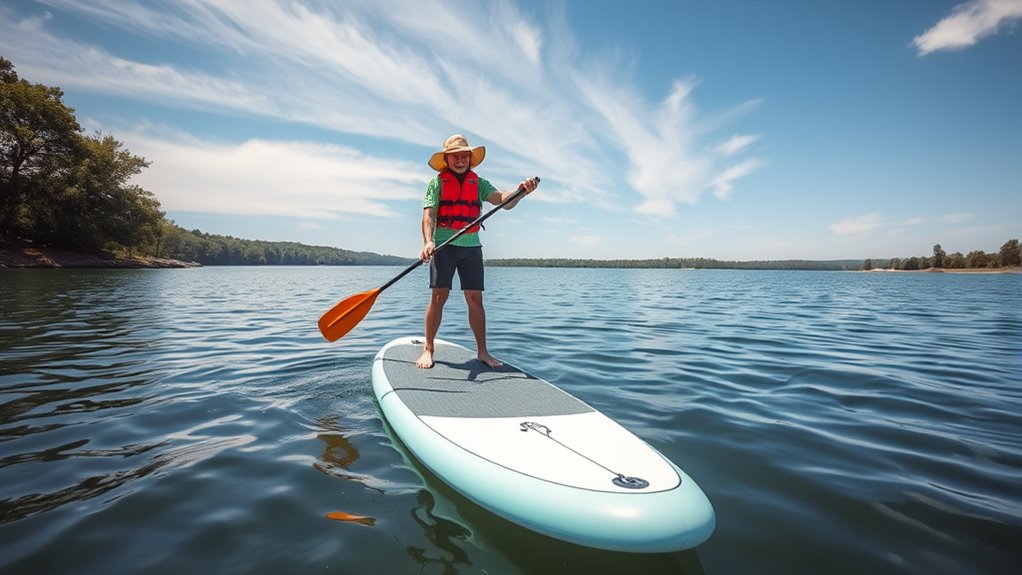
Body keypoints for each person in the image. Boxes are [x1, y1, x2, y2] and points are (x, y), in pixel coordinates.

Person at [416, 134, 538, 369]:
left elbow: (503, 200)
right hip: (444, 245)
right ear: (447, 159)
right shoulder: (436, 183)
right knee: (439, 297)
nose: (461, 160)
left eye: (465, 156)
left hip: (471, 247)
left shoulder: (479, 183)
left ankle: (482, 351)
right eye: (456, 157)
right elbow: (429, 214)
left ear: (469, 159)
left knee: (476, 299)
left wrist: (520, 192)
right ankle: (428, 348)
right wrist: (428, 242)